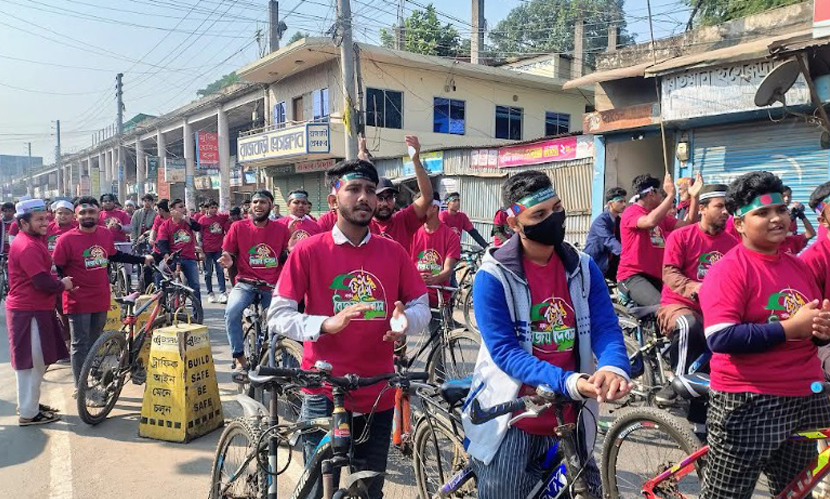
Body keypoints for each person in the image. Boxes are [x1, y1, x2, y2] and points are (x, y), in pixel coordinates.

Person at [267, 159, 430, 499]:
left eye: (370, 191)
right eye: (354, 189)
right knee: (316, 490)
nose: (364, 198)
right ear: (334, 199)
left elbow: (420, 307)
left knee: (369, 491)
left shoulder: (394, 252)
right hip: (324, 390)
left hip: (377, 391)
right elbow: (278, 315)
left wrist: (405, 323)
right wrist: (326, 324)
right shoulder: (309, 250)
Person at [461, 171, 631, 499]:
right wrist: (569, 381)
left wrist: (613, 366)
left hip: (570, 414)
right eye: (539, 215)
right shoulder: (492, 277)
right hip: (514, 419)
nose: (553, 219)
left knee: (586, 491)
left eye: (556, 208)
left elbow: (605, 327)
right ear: (514, 224)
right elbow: (507, 353)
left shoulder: (582, 267)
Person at [698, 171, 830, 499]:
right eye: (762, 213)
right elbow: (720, 337)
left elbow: (809, 330)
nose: (776, 219)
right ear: (740, 223)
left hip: (806, 395)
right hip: (749, 401)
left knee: (795, 490)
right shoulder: (728, 270)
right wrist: (789, 328)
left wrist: (821, 331)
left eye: (780, 210)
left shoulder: (797, 266)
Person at [654, 184, 739, 428]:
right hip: (678, 305)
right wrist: (696, 288)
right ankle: (677, 380)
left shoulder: (732, 244)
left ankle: (701, 426)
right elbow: (669, 272)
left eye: (728, 208)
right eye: (719, 206)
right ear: (701, 208)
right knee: (688, 324)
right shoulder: (681, 236)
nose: (725, 212)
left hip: (715, 310)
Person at [53, 197, 153, 386]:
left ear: (99, 214)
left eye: (91, 212)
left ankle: (91, 375)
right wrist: (64, 285)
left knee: (94, 341)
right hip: (77, 299)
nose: (87, 216)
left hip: (100, 296)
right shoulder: (66, 239)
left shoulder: (105, 234)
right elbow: (57, 267)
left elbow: (115, 256)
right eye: (82, 213)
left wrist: (142, 259)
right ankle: (80, 387)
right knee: (79, 345)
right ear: (76, 216)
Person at [6, 198, 73, 425]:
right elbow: (43, 283)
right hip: (28, 311)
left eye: (46, 218)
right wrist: (63, 285)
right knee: (30, 362)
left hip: (35, 309)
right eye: (39, 220)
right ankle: (28, 412)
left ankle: (30, 404)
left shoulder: (33, 241)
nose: (46, 223)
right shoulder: (27, 246)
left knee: (38, 361)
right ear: (23, 223)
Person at [219, 190, 290, 380]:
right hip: (245, 283)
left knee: (281, 322)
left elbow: (284, 256)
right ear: (250, 206)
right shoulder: (238, 227)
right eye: (255, 202)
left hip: (272, 285)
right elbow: (229, 253)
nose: (258, 205)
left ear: (271, 205)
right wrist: (228, 260)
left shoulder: (282, 229)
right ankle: (239, 358)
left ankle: (282, 362)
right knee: (232, 313)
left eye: (263, 202)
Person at [617, 172, 702, 307]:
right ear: (651, 193)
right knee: (663, 307)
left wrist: (695, 197)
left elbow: (688, 226)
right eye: (660, 195)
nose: (661, 198)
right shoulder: (631, 212)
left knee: (682, 305)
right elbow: (649, 222)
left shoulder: (660, 217)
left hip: (657, 277)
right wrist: (671, 195)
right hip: (633, 277)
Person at [371, 136, 433, 253]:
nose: (385, 203)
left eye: (389, 198)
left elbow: (427, 196)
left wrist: (415, 159)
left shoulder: (403, 221)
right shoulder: (362, 225)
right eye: (380, 198)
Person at [411, 193, 461, 306]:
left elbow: (447, 270)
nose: (416, 212)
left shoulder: (451, 237)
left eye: (421, 207)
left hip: (437, 297)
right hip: (413, 295)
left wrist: (433, 279)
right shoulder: (411, 233)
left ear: (434, 208)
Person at [155, 198, 202, 302]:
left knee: (195, 286)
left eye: (183, 206)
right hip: (174, 258)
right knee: (160, 275)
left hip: (189, 258)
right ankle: (161, 305)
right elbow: (162, 243)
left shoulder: (188, 221)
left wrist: (184, 217)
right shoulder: (165, 225)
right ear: (172, 210)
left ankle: (198, 315)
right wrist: (167, 257)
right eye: (180, 207)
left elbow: (198, 227)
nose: (184, 208)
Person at [584, 187, 626, 281]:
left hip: (610, 263)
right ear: (610, 203)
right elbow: (609, 240)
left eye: (624, 201)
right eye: (620, 201)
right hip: (595, 262)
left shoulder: (619, 221)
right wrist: (626, 254)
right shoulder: (601, 221)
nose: (624, 204)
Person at [200, 200, 229, 303]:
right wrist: (200, 251)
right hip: (207, 249)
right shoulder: (202, 220)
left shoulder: (221, 218)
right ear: (207, 209)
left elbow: (230, 217)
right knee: (208, 272)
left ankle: (222, 293)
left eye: (215, 207)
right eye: (212, 208)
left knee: (220, 271)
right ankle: (210, 293)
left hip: (218, 249)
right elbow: (199, 235)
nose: (214, 209)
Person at [780, 185, 816, 255]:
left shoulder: (791, 212)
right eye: (783, 196)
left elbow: (811, 233)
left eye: (789, 196)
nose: (787, 199)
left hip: (789, 245)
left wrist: (802, 216)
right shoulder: (774, 215)